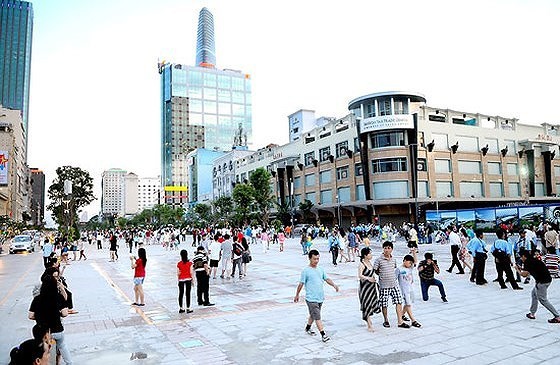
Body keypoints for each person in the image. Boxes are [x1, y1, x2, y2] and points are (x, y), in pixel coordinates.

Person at [294, 249, 339, 342]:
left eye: (318, 259)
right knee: (317, 316)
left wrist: (334, 285)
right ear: (309, 258)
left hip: (320, 297)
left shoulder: (320, 269)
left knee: (313, 315)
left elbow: (326, 279)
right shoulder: (305, 271)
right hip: (311, 298)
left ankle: (307, 328)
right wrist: (297, 294)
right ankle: (323, 335)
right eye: (314, 259)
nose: (316, 261)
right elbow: (301, 284)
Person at [29, 267, 72, 365]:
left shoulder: (37, 299)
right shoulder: (58, 297)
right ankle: (69, 363)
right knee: (62, 346)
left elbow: (31, 316)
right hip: (57, 330)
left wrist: (40, 315)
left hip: (43, 332)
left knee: (44, 351)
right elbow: (65, 313)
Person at [516, 249, 560, 323]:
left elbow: (524, 275)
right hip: (545, 280)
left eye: (521, 257)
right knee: (534, 294)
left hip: (543, 282)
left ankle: (557, 316)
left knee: (543, 300)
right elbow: (530, 269)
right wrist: (521, 269)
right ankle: (532, 313)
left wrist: (517, 269)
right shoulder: (532, 260)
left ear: (524, 256)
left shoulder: (527, 262)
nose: (521, 258)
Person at [373, 242, 410, 328]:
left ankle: (400, 322)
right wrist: (380, 275)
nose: (386, 250)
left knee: (399, 301)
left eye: (389, 248)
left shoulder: (394, 260)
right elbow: (375, 270)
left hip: (394, 284)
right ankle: (386, 320)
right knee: (384, 303)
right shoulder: (378, 260)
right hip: (384, 285)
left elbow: (394, 269)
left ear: (392, 249)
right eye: (385, 248)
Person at [357, 247, 380, 331]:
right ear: (365, 255)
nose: (371, 255)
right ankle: (369, 324)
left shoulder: (370, 263)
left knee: (371, 303)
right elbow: (360, 275)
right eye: (370, 253)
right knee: (366, 305)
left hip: (372, 288)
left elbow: (372, 273)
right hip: (365, 288)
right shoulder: (361, 264)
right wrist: (368, 278)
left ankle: (369, 321)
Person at [397, 254, 421, 328]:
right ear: (404, 261)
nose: (410, 264)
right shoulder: (399, 269)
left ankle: (402, 315)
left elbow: (415, 262)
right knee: (408, 304)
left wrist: (414, 252)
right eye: (409, 262)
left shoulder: (410, 268)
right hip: (403, 290)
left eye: (411, 263)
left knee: (408, 303)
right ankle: (413, 320)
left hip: (410, 289)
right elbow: (394, 279)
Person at [177, 249, 194, 314]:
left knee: (181, 294)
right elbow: (191, 272)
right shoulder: (190, 263)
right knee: (188, 293)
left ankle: (181, 308)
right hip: (188, 279)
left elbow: (178, 273)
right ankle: (188, 308)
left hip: (181, 279)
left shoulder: (179, 264)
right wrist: (192, 280)